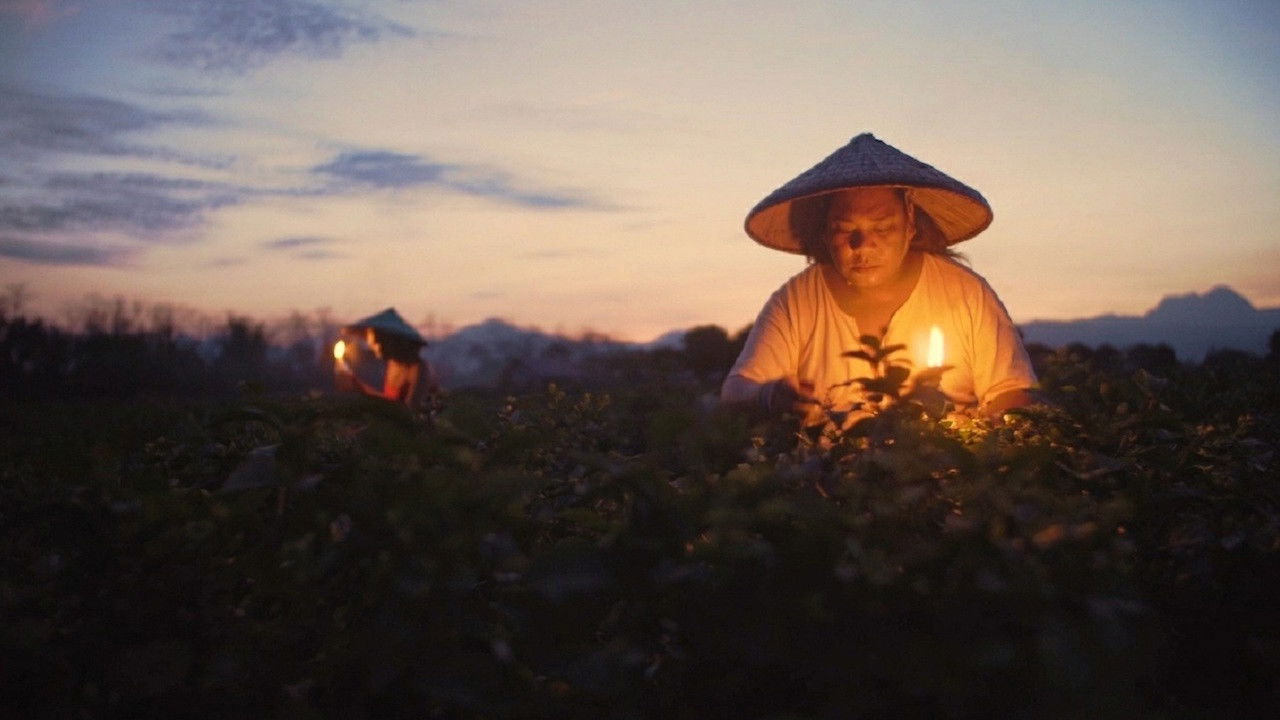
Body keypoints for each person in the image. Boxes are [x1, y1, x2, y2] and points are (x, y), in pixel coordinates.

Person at [721, 133, 1036, 425]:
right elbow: (737, 390)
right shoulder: (798, 301)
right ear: (825, 233)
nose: (863, 246)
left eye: (882, 229)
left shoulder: (965, 293)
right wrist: (771, 395)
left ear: (909, 223)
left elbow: (1012, 392)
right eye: (845, 230)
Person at [335, 307, 439, 406]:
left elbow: (409, 412)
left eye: (376, 342)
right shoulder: (393, 365)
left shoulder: (419, 369)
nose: (372, 347)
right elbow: (389, 403)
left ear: (389, 341)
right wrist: (357, 386)